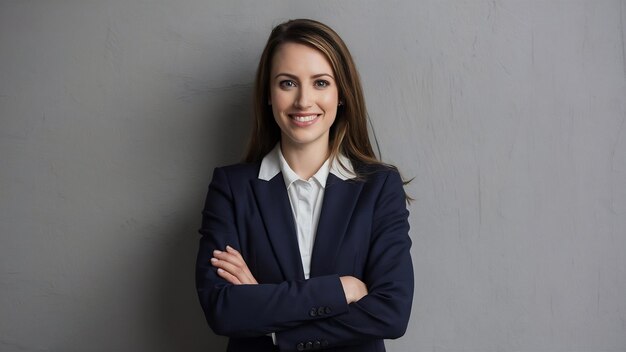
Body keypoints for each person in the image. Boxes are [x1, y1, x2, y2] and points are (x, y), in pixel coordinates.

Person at [196, 18, 414, 352]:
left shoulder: (379, 188)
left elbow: (392, 313)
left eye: (320, 83)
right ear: (268, 95)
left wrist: (271, 324)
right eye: (287, 83)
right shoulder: (231, 189)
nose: (303, 101)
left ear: (341, 94)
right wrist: (341, 290)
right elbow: (223, 310)